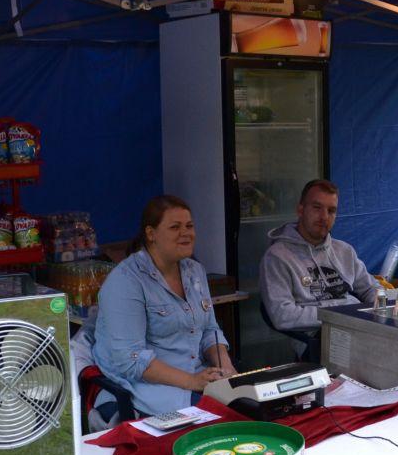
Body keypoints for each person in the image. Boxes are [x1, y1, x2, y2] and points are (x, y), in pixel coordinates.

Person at [92, 195, 235, 418]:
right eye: (175, 227)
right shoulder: (126, 281)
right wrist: (192, 381)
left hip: (199, 378)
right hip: (148, 389)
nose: (186, 233)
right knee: (223, 419)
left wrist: (228, 371)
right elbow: (131, 360)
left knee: (249, 406)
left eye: (189, 226)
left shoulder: (195, 271)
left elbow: (210, 330)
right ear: (151, 234)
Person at [259, 179, 378, 356]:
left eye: (331, 211)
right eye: (317, 207)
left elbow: (371, 288)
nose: (324, 217)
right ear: (300, 210)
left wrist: (380, 305)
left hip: (357, 327)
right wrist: (343, 312)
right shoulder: (277, 257)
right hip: (317, 340)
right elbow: (282, 316)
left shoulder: (344, 251)